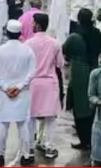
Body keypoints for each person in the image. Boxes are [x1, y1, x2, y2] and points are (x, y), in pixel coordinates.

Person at [0, 20, 37, 167]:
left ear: (7, 33)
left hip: (4, 94)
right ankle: (25, 155)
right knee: (23, 125)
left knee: (2, 125)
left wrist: (5, 87)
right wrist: (19, 86)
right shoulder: (28, 50)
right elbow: (32, 72)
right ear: (19, 34)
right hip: (22, 93)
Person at [24, 12, 63, 159]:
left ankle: (29, 147)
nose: (31, 25)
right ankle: (50, 147)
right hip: (49, 82)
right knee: (51, 118)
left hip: (33, 83)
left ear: (38, 25)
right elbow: (59, 64)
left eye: (33, 23)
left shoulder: (28, 44)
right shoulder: (55, 43)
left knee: (31, 118)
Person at [63, 8, 101, 150]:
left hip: (79, 73)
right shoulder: (96, 33)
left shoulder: (75, 37)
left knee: (79, 107)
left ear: (79, 20)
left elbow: (65, 50)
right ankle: (93, 138)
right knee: (92, 106)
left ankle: (84, 140)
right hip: (95, 69)